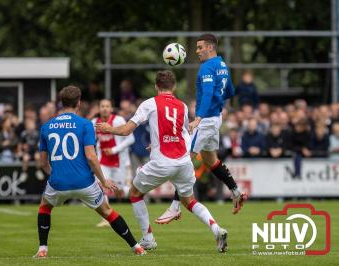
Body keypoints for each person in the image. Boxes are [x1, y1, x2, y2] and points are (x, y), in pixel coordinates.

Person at [96, 70, 228, 253]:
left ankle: (148, 238)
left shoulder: (149, 104)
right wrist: (156, 142)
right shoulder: (182, 106)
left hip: (162, 163)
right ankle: (216, 229)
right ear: (173, 87)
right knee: (189, 200)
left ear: (156, 86)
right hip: (183, 162)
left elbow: (127, 130)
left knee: (135, 193)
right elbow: (181, 133)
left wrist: (109, 128)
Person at [34, 85, 146, 258]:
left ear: (61, 103)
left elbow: (42, 162)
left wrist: (55, 174)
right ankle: (136, 246)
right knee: (108, 212)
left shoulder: (46, 127)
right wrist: (103, 180)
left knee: (44, 207)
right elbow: (92, 157)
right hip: (84, 182)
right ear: (78, 103)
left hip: (58, 183)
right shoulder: (85, 124)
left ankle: (42, 249)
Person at [156, 34, 247, 225]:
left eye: (200, 48)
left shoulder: (207, 67)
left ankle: (174, 207)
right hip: (216, 118)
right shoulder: (222, 65)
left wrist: (198, 117)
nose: (197, 51)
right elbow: (230, 91)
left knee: (184, 158)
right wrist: (218, 102)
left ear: (210, 48)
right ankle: (236, 191)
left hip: (205, 121)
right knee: (210, 160)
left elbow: (206, 93)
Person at [92, 99, 135, 227]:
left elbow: (131, 138)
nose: (105, 108)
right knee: (101, 185)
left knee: (120, 191)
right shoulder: (94, 123)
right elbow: (92, 141)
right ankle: (106, 217)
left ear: (111, 108)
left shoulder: (118, 120)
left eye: (107, 106)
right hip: (103, 161)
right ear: (99, 109)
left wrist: (114, 149)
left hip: (119, 162)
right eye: (102, 106)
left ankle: (137, 195)